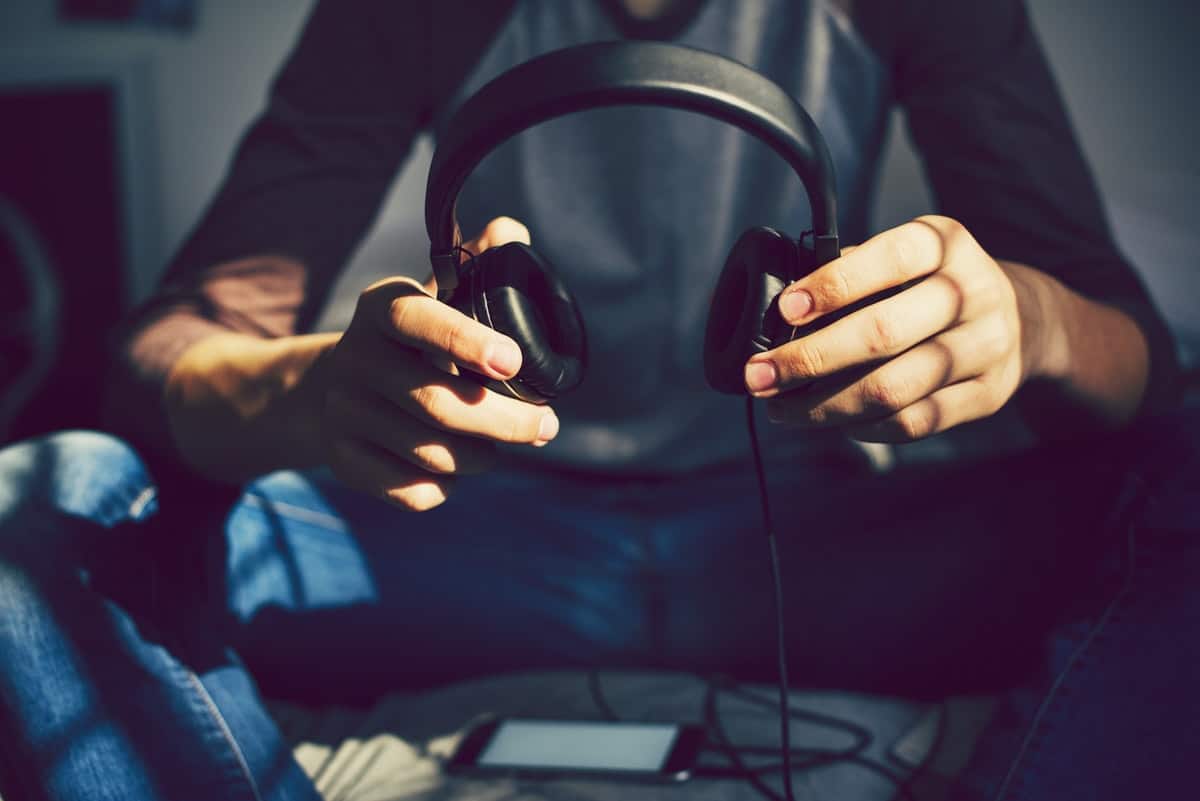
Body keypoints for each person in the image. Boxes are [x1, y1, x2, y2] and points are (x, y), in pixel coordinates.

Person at [0, 1, 1195, 799]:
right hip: (463, 536)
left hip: (813, 548)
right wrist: (306, 391)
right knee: (38, 499)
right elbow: (163, 355)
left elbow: (1138, 367)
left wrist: (1029, 322)